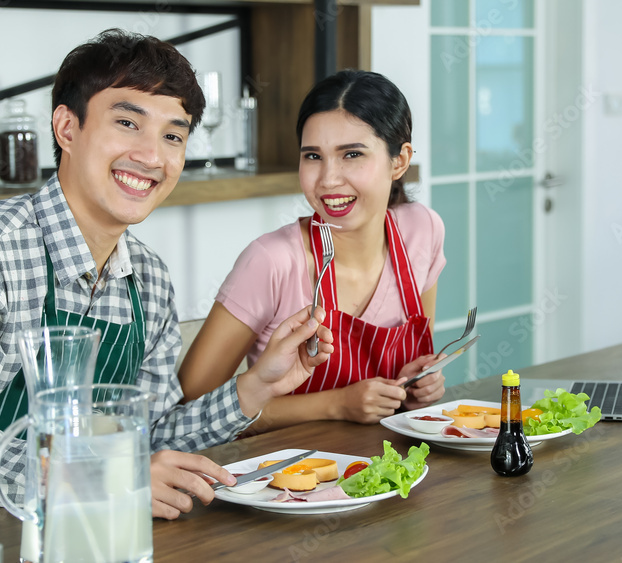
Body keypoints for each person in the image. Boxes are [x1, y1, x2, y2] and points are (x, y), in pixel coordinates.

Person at [0, 29, 333, 528]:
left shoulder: (149, 280)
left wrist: (254, 387)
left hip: (82, 531)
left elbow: (150, 440)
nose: (152, 156)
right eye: (127, 122)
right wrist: (113, 478)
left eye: (172, 136)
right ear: (66, 128)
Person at [179, 70, 447, 433]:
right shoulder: (271, 261)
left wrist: (418, 381)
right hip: (287, 478)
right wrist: (336, 404)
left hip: (391, 469)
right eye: (313, 156)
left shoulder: (422, 231)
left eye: (351, 154)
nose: (328, 180)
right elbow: (192, 410)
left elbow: (417, 362)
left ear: (399, 161)